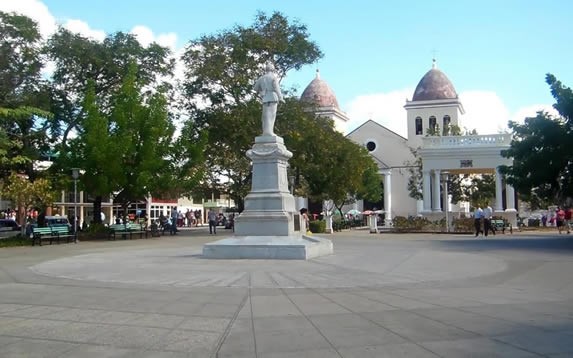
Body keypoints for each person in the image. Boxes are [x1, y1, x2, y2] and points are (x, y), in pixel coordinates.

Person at [254, 62, 284, 136]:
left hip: (265, 98)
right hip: (273, 97)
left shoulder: (261, 78)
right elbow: (277, 88)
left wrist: (262, 91)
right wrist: (281, 97)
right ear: (273, 69)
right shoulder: (273, 77)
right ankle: (269, 132)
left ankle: (266, 131)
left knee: (265, 115)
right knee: (271, 115)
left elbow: (255, 88)